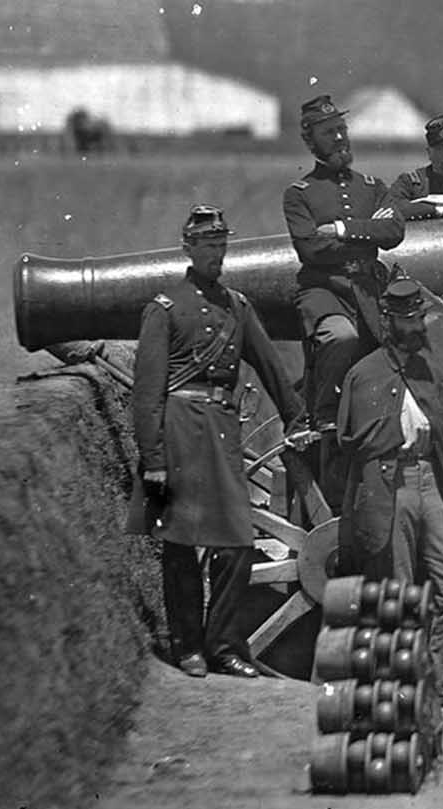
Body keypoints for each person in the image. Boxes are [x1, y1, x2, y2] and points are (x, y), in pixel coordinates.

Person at [127, 204, 308, 678]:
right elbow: (147, 394)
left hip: (223, 432)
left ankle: (223, 645)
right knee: (180, 545)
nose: (216, 256)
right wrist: (153, 460)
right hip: (179, 434)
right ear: (188, 249)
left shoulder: (237, 307)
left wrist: (296, 418)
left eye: (222, 247)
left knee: (237, 545)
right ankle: (186, 646)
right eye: (208, 248)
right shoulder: (164, 310)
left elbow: (270, 366)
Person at [336, 279, 443, 716]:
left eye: (420, 319)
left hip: (429, 484)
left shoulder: (432, 374)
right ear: (390, 323)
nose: (418, 327)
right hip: (389, 486)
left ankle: (442, 687)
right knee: (396, 592)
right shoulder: (365, 374)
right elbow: (352, 440)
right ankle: (400, 689)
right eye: (410, 320)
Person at [283, 93, 406, 505]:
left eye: (341, 130)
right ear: (311, 142)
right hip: (325, 292)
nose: (339, 139)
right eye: (328, 133)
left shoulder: (373, 187)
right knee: (340, 338)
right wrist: (362, 233)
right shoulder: (299, 194)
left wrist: (337, 230)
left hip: (369, 292)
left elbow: (392, 234)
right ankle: (323, 417)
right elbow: (309, 250)